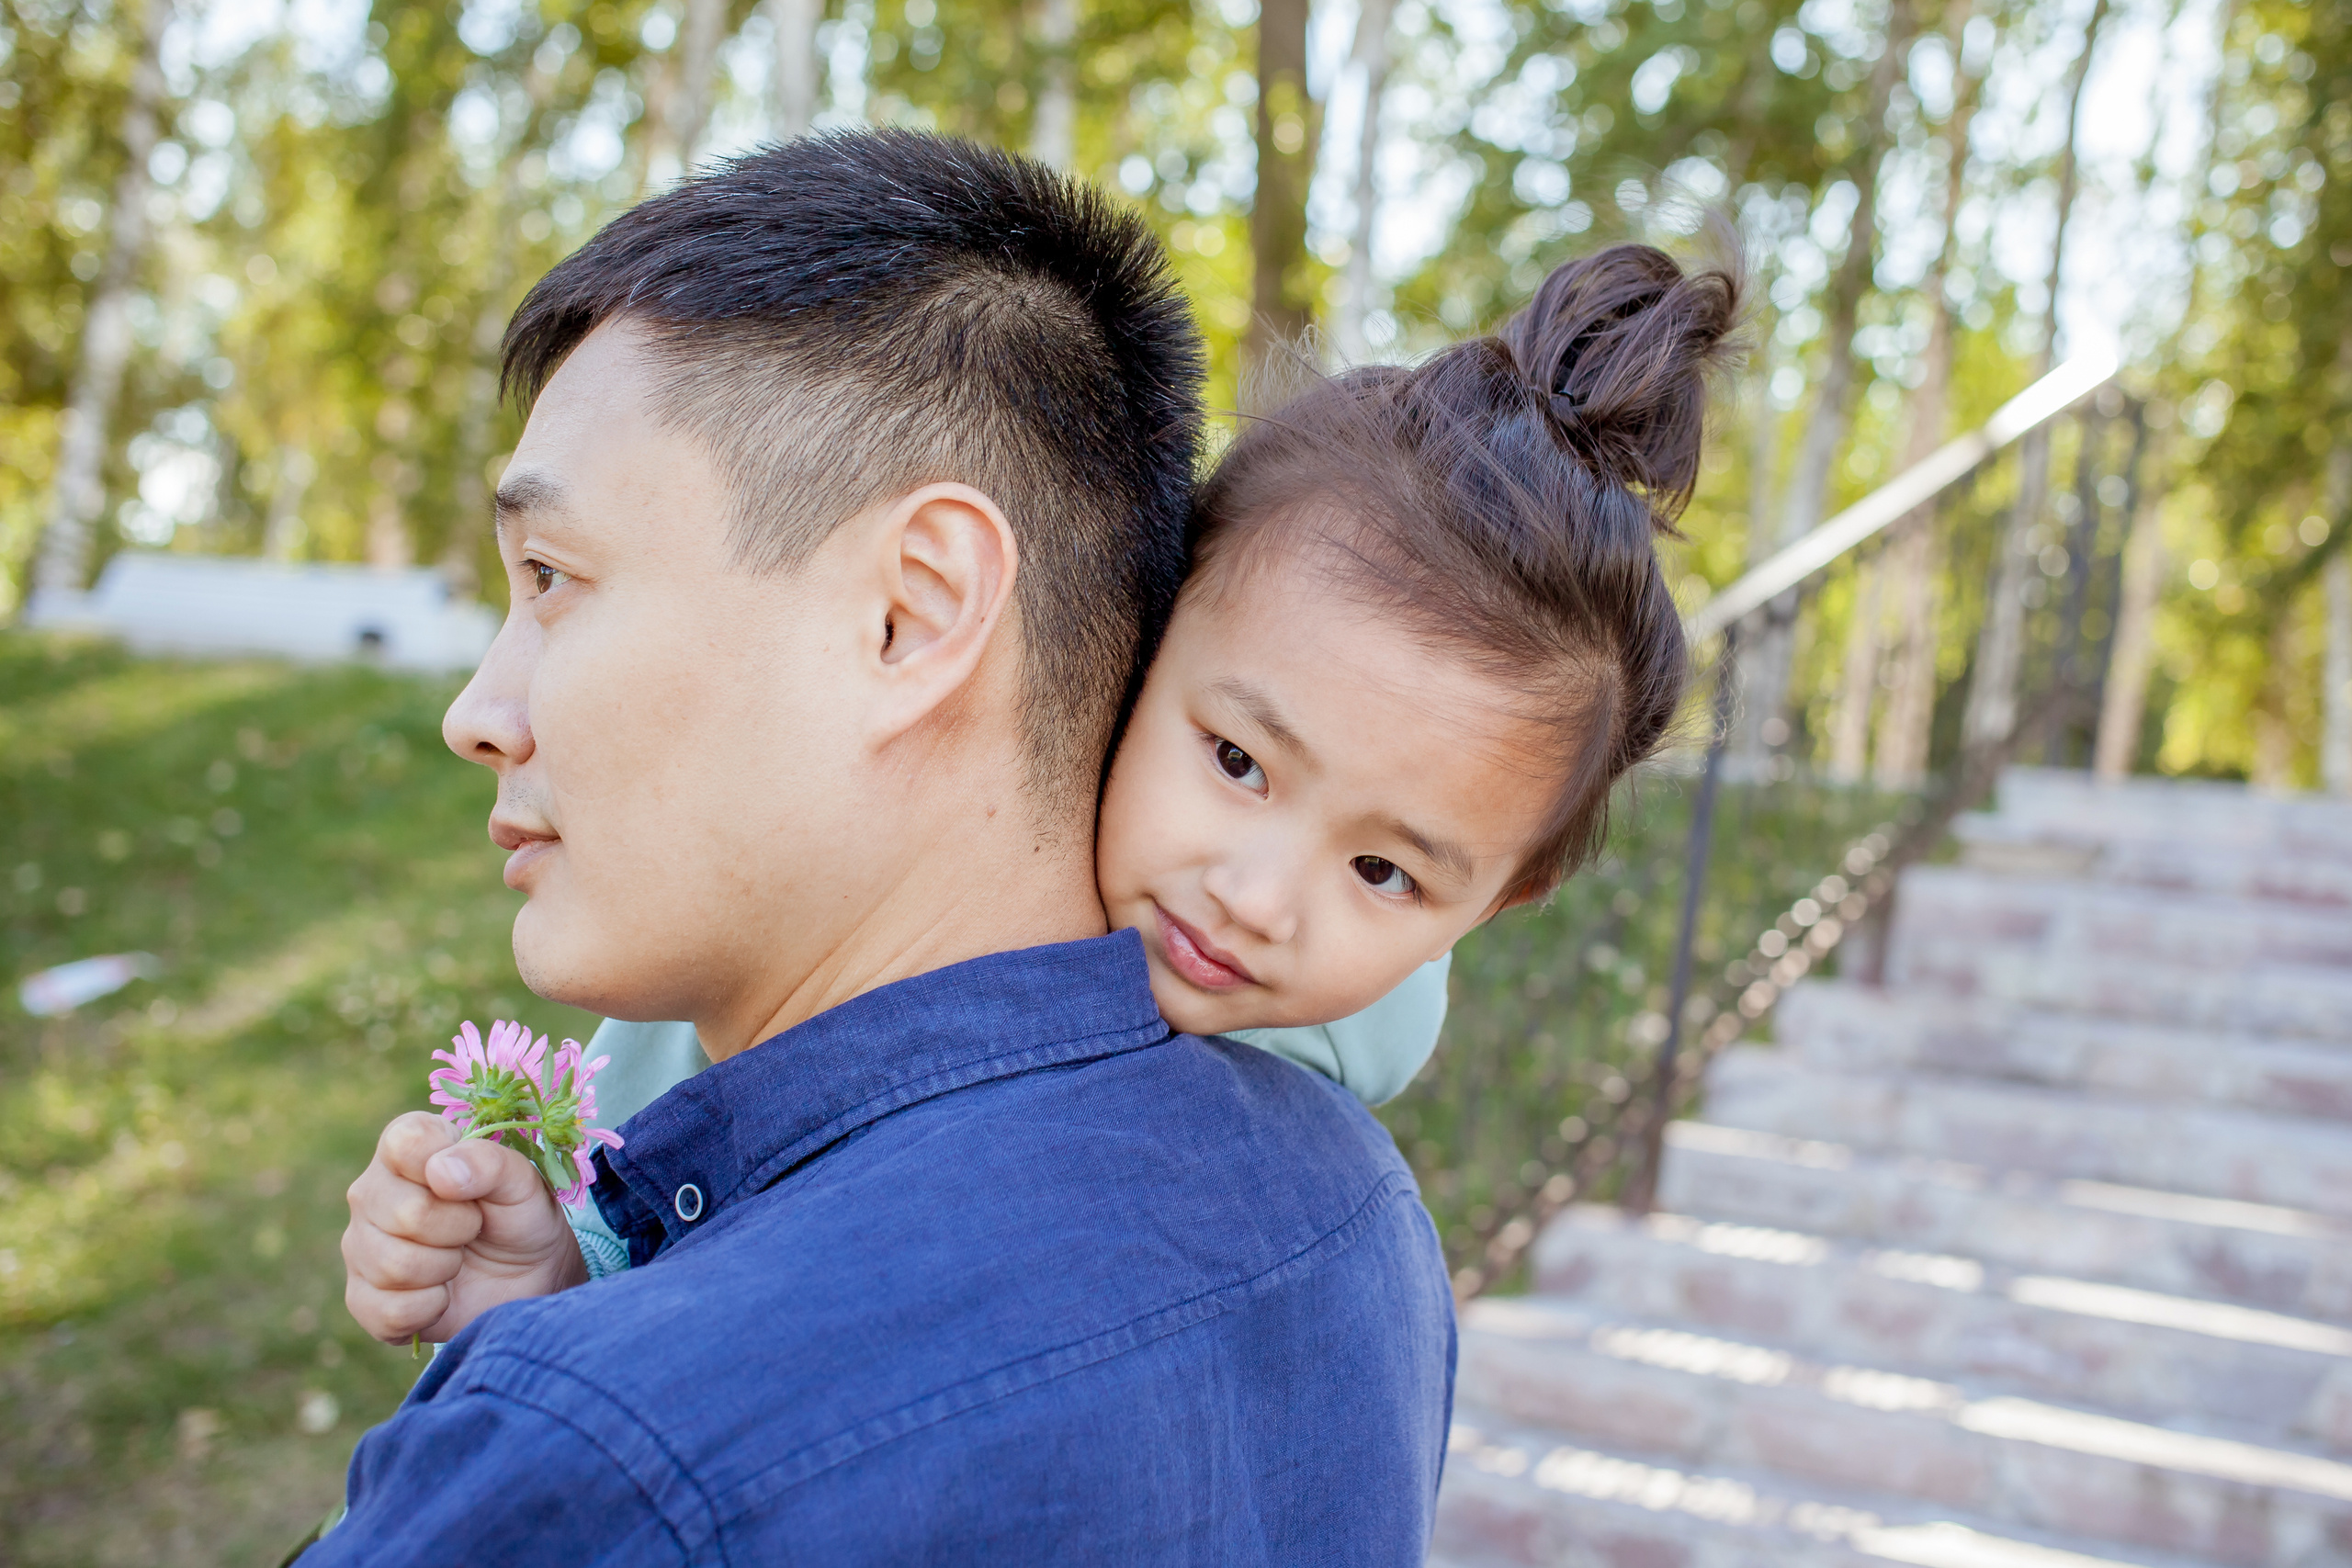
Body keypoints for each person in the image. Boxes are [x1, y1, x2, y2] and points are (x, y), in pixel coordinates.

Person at [332, 128, 1740, 1560]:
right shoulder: (1363, 1233)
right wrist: (582, 1298)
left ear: (921, 612)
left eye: (556, 579)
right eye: (1238, 761)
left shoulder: (608, 1461)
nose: (1252, 898)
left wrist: (572, 1369)